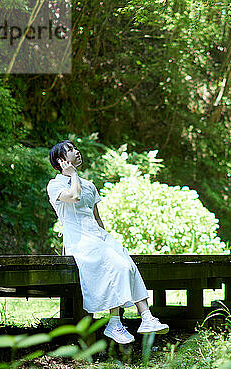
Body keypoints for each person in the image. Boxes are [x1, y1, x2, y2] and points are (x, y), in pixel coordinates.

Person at [46, 140, 169, 344]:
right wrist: (73, 174)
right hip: (78, 240)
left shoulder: (89, 185)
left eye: (76, 148)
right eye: (70, 150)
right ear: (60, 161)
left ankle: (144, 318)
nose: (77, 151)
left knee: (126, 264)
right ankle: (115, 323)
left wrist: (107, 240)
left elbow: (96, 217)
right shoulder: (55, 185)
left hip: (97, 237)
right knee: (118, 264)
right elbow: (74, 197)